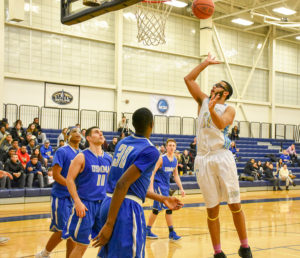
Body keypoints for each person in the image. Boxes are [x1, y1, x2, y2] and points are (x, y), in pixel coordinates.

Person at [184, 53, 252, 258]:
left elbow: (222, 123)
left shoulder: (229, 108)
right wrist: (205, 63)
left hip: (222, 157)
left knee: (234, 204)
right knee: (212, 209)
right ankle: (217, 252)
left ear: (226, 92)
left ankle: (245, 247)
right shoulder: (203, 100)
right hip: (203, 159)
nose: (214, 86)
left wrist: (213, 109)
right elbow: (188, 79)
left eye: (218, 85)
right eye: (214, 84)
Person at [92, 108, 183, 258]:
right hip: (125, 208)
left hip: (108, 202)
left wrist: (163, 198)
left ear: (133, 124)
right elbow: (123, 184)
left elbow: (128, 185)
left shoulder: (123, 142)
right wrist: (109, 224)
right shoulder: (150, 150)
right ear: (152, 124)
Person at [62, 127, 112, 257]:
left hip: (103, 205)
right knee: (82, 245)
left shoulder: (109, 158)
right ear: (88, 138)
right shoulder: (81, 156)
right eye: (96, 132)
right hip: (86, 205)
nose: (100, 133)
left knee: (106, 241)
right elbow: (69, 180)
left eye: (101, 132)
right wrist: (77, 202)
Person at [35, 127, 82, 258]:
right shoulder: (62, 151)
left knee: (72, 231)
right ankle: (44, 254)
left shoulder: (83, 153)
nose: (77, 133)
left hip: (75, 198)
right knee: (62, 229)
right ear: (67, 136)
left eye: (79, 131)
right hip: (61, 196)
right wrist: (71, 186)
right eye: (74, 131)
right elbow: (56, 175)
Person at [146, 139, 185, 240]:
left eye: (173, 145)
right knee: (167, 208)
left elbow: (176, 176)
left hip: (166, 186)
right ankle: (171, 232)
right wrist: (150, 188)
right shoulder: (161, 159)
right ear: (166, 147)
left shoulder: (175, 160)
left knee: (157, 209)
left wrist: (181, 188)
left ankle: (148, 230)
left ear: (175, 147)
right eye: (170, 145)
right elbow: (152, 173)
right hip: (158, 185)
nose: (171, 147)